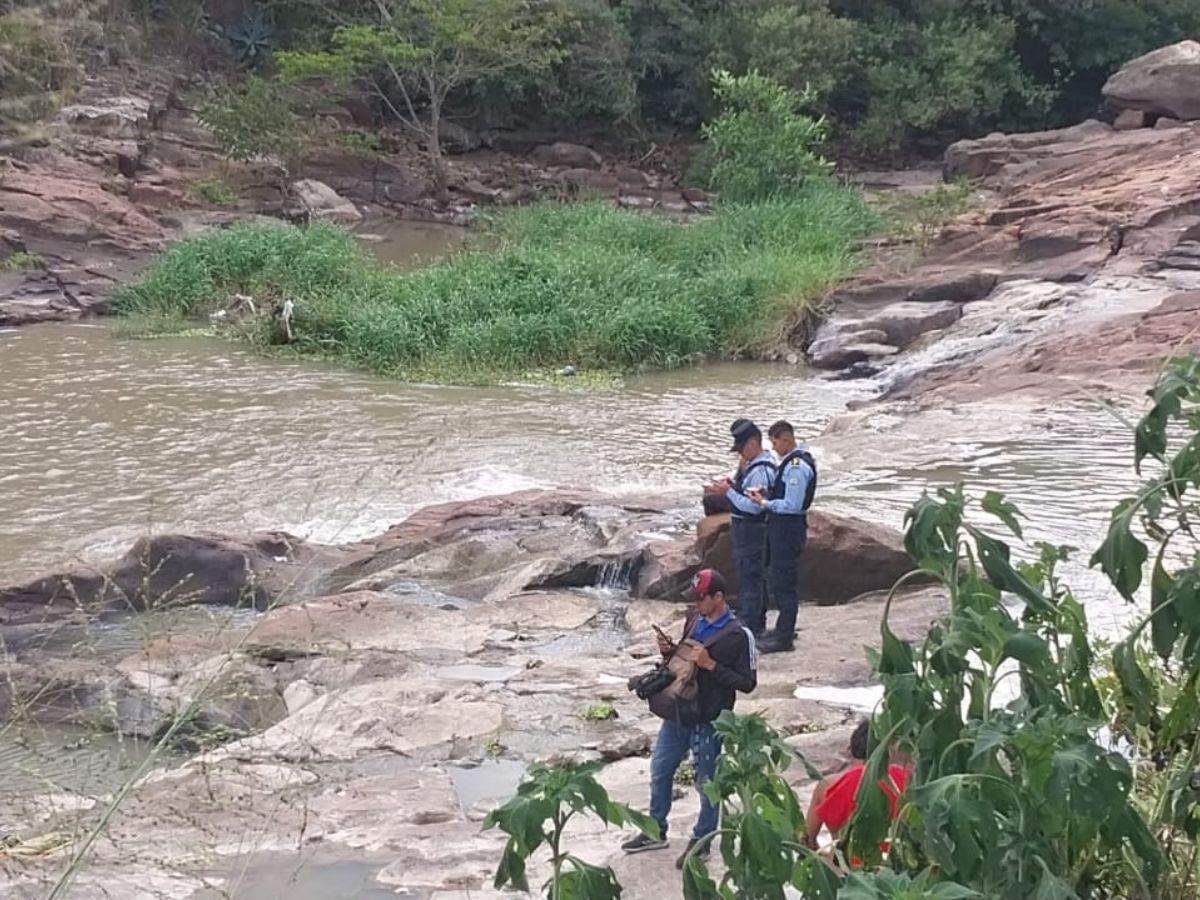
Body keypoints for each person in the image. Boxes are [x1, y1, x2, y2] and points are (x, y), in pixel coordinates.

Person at [621, 568, 758, 868]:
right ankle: (655, 829)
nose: (696, 604)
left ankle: (703, 839)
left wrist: (711, 666)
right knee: (660, 769)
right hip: (679, 712)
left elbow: (748, 683)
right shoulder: (694, 620)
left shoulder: (739, 635)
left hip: (710, 718)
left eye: (701, 598)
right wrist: (671, 652)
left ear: (719, 598)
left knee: (707, 783)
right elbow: (682, 663)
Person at [749, 420, 816, 653]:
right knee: (777, 579)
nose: (774, 448)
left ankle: (784, 637)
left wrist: (764, 502)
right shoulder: (790, 463)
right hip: (782, 529)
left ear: (787, 440)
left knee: (784, 583)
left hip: (789, 530)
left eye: (775, 442)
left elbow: (792, 504)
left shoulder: (797, 465)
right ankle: (782, 629)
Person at [705, 419, 775, 637]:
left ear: (754, 443)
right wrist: (732, 487)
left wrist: (728, 493)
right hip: (748, 531)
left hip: (752, 532)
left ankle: (751, 628)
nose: (741, 454)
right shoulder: (752, 467)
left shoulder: (761, 471)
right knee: (753, 580)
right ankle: (755, 624)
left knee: (751, 581)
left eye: (742, 448)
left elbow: (754, 508)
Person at [804, 720, 910, 860]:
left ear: (851, 749)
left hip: (846, 873)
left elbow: (806, 841)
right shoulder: (906, 781)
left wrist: (827, 858)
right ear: (887, 751)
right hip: (894, 873)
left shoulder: (827, 785)